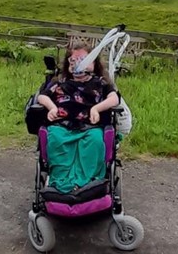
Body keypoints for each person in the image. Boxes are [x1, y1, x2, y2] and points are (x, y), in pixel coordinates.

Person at [37, 41, 120, 193]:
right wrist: (52, 107)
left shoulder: (100, 83)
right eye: (73, 61)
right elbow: (42, 97)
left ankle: (87, 184)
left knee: (95, 141)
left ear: (94, 63)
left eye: (84, 60)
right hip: (62, 125)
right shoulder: (61, 82)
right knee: (55, 138)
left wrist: (96, 108)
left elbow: (114, 99)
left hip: (90, 126)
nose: (78, 64)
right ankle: (60, 183)